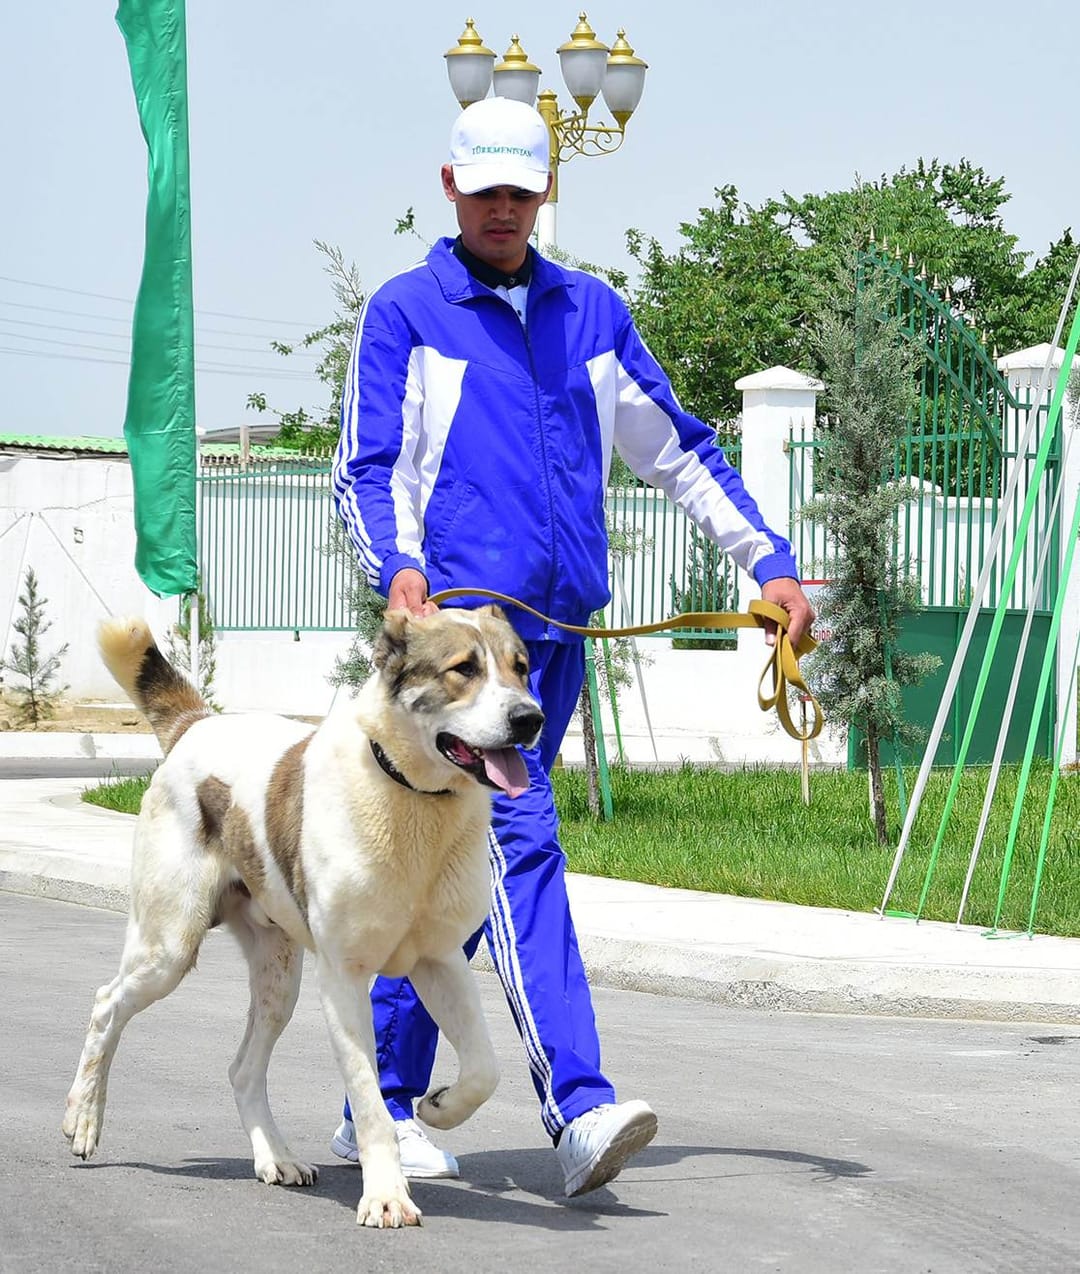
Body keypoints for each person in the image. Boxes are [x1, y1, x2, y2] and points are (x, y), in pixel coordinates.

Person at [330, 96, 814, 1198]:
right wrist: (396, 571)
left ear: (547, 192)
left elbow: (680, 453)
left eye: (523, 188)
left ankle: (387, 1108)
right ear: (450, 188)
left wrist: (768, 563)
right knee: (517, 848)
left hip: (554, 644)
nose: (504, 207)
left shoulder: (592, 314)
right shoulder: (407, 311)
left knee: (426, 875)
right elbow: (371, 465)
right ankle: (579, 1104)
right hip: (452, 664)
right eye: (485, 188)